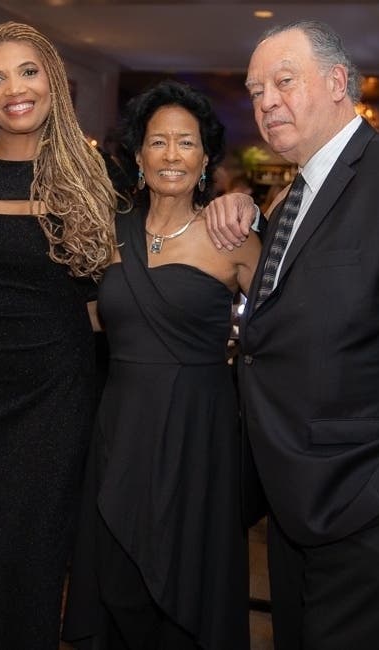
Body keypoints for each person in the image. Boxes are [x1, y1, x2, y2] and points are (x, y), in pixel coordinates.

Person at [207, 20, 379, 650]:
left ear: (338, 82)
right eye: (256, 92)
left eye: (284, 82)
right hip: (292, 506)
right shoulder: (294, 195)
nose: (266, 103)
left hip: (369, 512)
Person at [0, 21, 118, 650]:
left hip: (58, 391)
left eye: (28, 72)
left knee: (40, 552)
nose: (15, 90)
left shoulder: (91, 170)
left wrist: (235, 211)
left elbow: (144, 256)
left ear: (53, 83)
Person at [63, 80, 260, 650]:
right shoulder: (108, 233)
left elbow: (284, 333)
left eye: (186, 142)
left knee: (183, 586)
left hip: (199, 436)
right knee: (119, 581)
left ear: (204, 158)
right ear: (139, 153)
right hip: (121, 431)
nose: (171, 154)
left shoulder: (233, 236)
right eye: (158, 142)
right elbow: (89, 324)